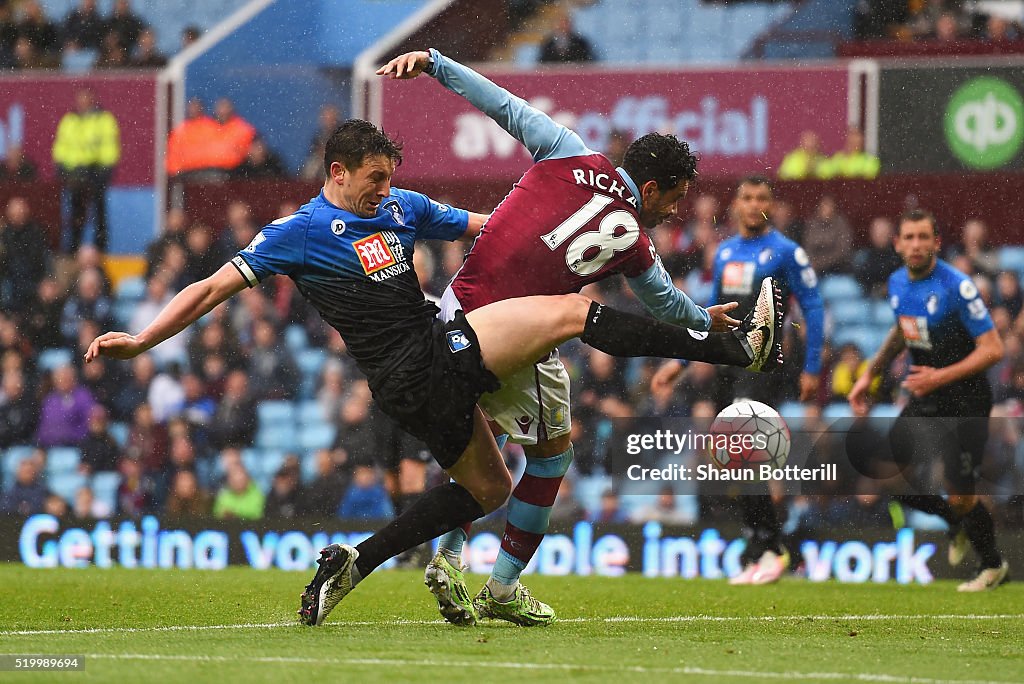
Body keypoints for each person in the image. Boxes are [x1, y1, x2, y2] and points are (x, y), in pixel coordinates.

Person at [85, 117, 781, 627]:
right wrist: (145, 339)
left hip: (430, 364)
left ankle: (352, 564)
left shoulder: (401, 207)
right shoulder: (296, 233)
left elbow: (493, 225)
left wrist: (556, 215)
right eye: (372, 179)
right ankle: (731, 351)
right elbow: (209, 288)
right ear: (337, 174)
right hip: (414, 366)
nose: (384, 191)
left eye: (389, 177)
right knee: (571, 315)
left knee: (489, 485)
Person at [379, 48, 779, 627]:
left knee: (483, 437)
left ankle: (451, 555)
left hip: (452, 312)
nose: (674, 208)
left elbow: (502, 104)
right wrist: (705, 321)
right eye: (673, 195)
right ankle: (501, 585)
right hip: (516, 334)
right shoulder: (636, 244)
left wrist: (436, 64)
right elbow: (664, 304)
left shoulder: (567, 149)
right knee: (551, 455)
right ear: (649, 185)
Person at [651, 175, 825, 585]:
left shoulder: (786, 252)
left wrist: (813, 367)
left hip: (763, 364)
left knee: (746, 452)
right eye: (746, 197)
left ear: (771, 204)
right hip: (727, 364)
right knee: (732, 461)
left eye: (761, 197)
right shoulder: (726, 252)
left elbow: (814, 308)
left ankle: (770, 546)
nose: (753, 204)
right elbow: (710, 313)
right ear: (736, 205)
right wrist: (681, 360)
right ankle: (757, 545)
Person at [849, 209, 1008, 592]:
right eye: (910, 238)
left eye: (924, 237)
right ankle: (953, 524)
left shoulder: (958, 286)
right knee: (888, 475)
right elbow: (902, 330)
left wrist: (939, 375)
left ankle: (992, 565)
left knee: (961, 494)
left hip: (966, 400)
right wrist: (871, 372)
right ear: (898, 243)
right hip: (925, 398)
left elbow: (993, 348)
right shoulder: (897, 282)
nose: (916, 245)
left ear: (937, 242)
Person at [52, 88, 121, 252]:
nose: (82, 103)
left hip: (95, 170)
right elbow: (62, 145)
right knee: (76, 211)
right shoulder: (69, 120)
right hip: (75, 172)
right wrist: (61, 166)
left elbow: (109, 145)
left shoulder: (103, 119)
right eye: (80, 99)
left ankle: (100, 246)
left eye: (86, 99)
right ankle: (74, 246)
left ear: (93, 100)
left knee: (99, 210)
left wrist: (105, 168)